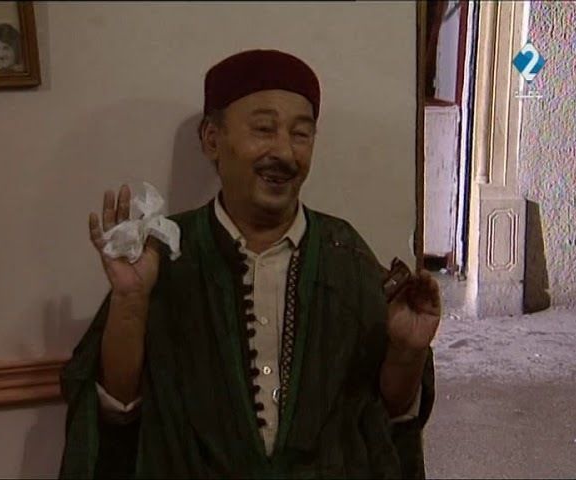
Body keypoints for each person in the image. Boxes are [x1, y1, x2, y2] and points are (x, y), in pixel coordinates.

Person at [59, 49, 441, 479]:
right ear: (212, 140)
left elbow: (387, 415)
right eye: (264, 129)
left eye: (301, 134)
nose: (285, 153)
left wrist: (407, 352)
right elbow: (117, 410)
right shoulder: (165, 253)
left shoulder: (344, 253)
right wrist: (130, 301)